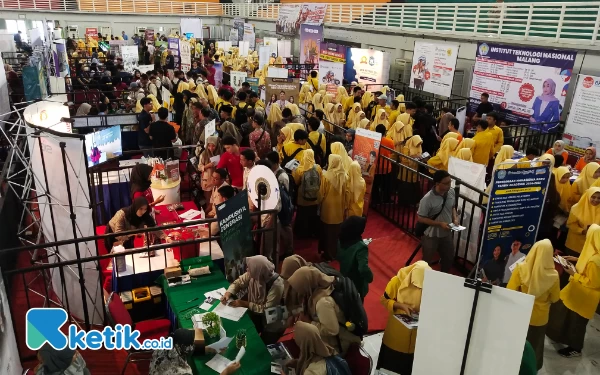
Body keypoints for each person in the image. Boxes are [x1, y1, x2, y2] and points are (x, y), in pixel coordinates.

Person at [547, 224, 600, 358]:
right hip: (579, 292)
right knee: (568, 316)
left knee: (577, 323)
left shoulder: (596, 260)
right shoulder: (594, 252)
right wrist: (576, 259)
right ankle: (562, 337)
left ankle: (576, 348)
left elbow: (593, 283)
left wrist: (572, 273)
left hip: (585, 296)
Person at [507, 239, 560, 369]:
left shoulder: (520, 268)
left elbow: (510, 291)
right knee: (534, 346)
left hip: (520, 314)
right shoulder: (553, 275)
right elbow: (555, 298)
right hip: (539, 318)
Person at [286, 267, 361, 355]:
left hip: (340, 343)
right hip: (335, 337)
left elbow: (332, 330)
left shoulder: (323, 302)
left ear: (307, 285)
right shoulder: (322, 286)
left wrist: (310, 322)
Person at [377, 261, 432, 373]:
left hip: (416, 335)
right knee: (392, 364)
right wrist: (400, 305)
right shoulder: (397, 281)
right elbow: (384, 300)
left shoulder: (431, 284)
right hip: (397, 332)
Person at [222, 255, 285, 344]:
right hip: (257, 314)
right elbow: (238, 283)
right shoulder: (255, 274)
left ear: (258, 270)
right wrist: (228, 293)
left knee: (263, 344)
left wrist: (244, 303)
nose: (247, 270)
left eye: (250, 268)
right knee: (250, 335)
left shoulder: (277, 285)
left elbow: (266, 309)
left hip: (273, 322)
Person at [149, 329, 240, 375]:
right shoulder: (182, 372)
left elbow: (185, 349)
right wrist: (226, 372)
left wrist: (211, 348)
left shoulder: (162, 347)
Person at [417, 170, 458, 273]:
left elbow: (452, 207)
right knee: (426, 261)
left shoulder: (451, 192)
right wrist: (439, 224)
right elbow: (421, 218)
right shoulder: (427, 199)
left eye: (450, 182)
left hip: (446, 233)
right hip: (431, 235)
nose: (449, 185)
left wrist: (455, 218)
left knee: (448, 257)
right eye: (446, 183)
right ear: (437, 183)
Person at [105, 197, 169, 250]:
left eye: (145, 209)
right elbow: (118, 235)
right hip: (113, 234)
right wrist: (134, 233)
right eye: (141, 209)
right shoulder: (121, 215)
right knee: (117, 255)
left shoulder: (144, 215)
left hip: (128, 235)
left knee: (129, 254)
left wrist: (166, 237)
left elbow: (154, 228)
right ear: (136, 207)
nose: (143, 212)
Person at [319, 154, 348, 260]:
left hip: (327, 209)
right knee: (336, 233)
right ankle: (335, 252)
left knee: (327, 232)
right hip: (339, 209)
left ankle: (327, 254)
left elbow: (321, 193)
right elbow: (347, 193)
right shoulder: (344, 176)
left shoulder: (326, 176)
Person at [337, 216, 372, 301]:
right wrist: (370, 277)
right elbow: (363, 269)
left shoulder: (341, 240)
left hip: (344, 279)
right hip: (357, 284)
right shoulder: (361, 248)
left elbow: (338, 256)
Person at [292, 149, 322, 238]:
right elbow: (320, 180)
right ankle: (312, 232)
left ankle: (302, 233)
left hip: (303, 198)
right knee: (313, 215)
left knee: (302, 215)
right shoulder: (318, 168)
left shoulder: (300, 169)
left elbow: (296, 182)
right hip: (315, 197)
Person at [565, 187, 600, 256]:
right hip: (575, 245)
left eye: (599, 198)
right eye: (593, 197)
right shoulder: (576, 208)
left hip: (592, 246)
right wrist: (582, 231)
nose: (596, 200)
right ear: (588, 196)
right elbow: (570, 224)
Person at [197, 136, 222, 209]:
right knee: (208, 198)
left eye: (213, 146)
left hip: (217, 178)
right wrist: (208, 166)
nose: (211, 148)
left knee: (217, 197)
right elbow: (199, 167)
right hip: (207, 179)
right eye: (209, 145)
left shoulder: (220, 153)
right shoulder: (204, 154)